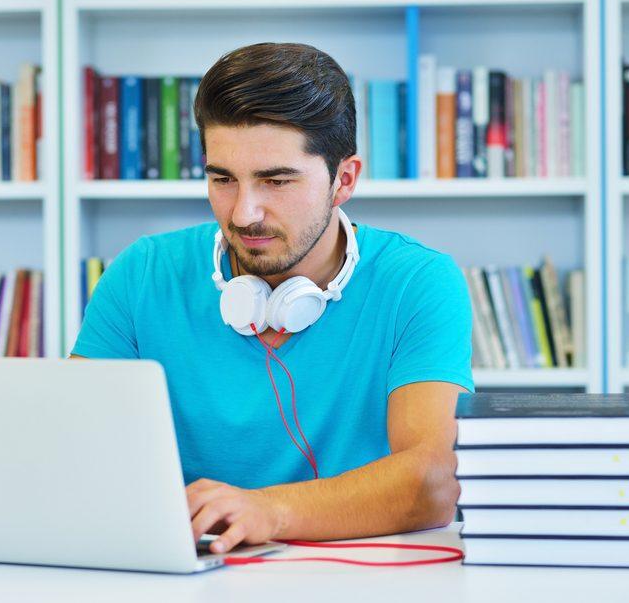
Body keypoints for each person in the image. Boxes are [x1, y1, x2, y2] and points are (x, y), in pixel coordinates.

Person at [71, 42, 473, 555]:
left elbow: (433, 483)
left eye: (276, 181)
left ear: (344, 179)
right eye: (222, 180)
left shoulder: (419, 282)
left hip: (357, 576)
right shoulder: (141, 274)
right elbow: (75, 452)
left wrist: (269, 511)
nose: (243, 214)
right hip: (192, 575)